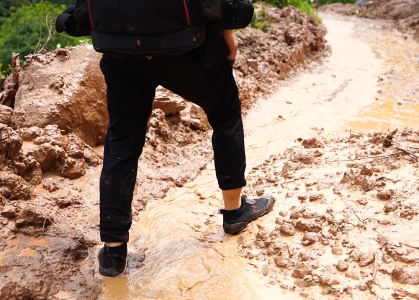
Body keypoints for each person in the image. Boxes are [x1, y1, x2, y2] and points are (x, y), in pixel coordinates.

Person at [56, 2, 276, 277]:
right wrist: (228, 34)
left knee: (122, 140)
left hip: (121, 51)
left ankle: (113, 251)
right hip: (187, 47)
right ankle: (235, 211)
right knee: (225, 113)